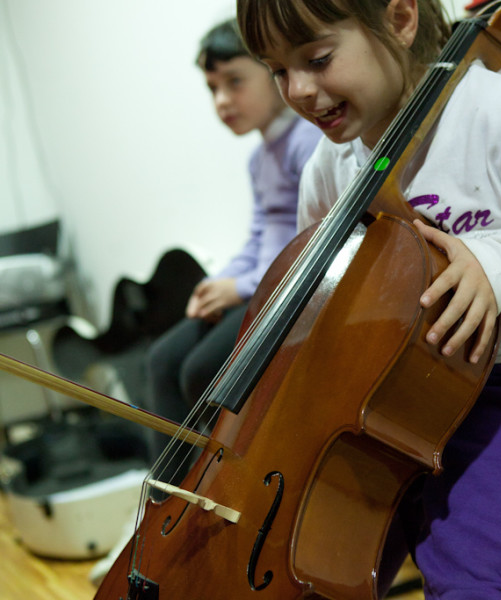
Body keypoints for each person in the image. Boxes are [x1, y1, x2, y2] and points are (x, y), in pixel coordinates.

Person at [236, 1, 501, 598]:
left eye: (317, 59)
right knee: (314, 561)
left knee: (471, 580)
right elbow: (316, 307)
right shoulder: (329, 170)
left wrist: (500, 262)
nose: (297, 90)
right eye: (277, 70)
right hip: (390, 397)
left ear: (401, 19)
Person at [145, 18, 321, 486]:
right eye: (212, 89)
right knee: (162, 359)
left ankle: (229, 489)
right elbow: (259, 235)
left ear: (271, 70)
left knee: (201, 371)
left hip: (286, 290)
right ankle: (168, 494)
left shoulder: (308, 142)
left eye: (235, 82)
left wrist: (239, 287)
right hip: (256, 285)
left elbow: (307, 240)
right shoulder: (258, 158)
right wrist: (217, 282)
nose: (222, 101)